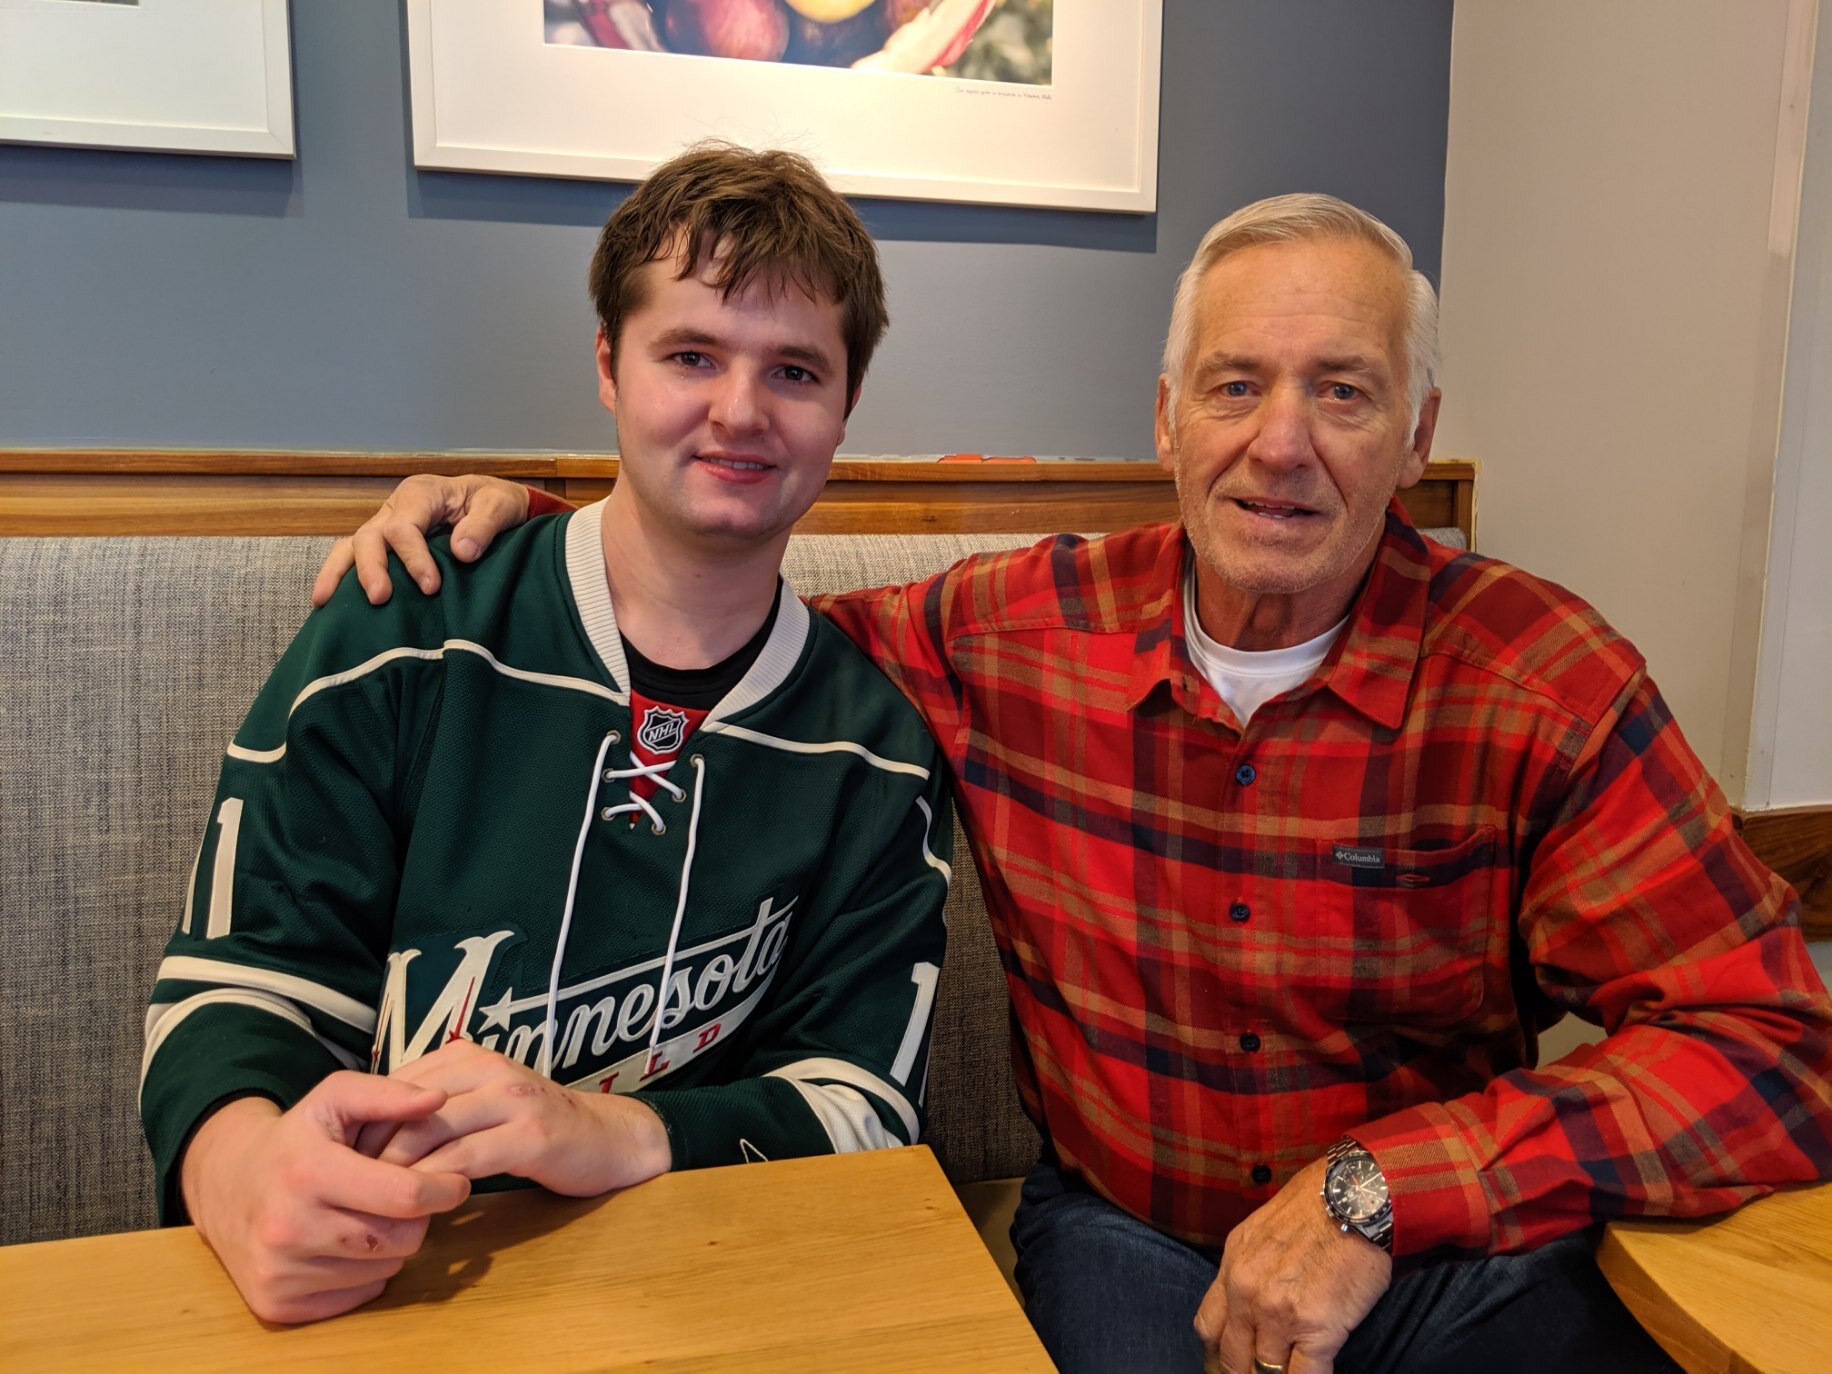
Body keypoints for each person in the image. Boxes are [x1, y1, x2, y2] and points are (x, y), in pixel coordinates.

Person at [315, 192, 1832, 1373]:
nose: (1282, 444)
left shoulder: (1539, 678)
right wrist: (527, 539)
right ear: (1165, 417)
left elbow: (1773, 1043)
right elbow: (725, 630)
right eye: (1236, 385)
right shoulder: (1003, 633)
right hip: (1133, 1235)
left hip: (1447, 1250)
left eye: (1347, 393)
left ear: (1419, 434)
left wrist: (1382, 1187)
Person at [142, 144, 952, 1326]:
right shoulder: (404, 622)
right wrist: (237, 1174)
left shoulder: (874, 745)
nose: (739, 409)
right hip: (385, 1282)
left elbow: (863, 1101)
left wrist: (618, 1131)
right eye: (689, 355)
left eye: (793, 370)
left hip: (708, 1293)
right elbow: (239, 984)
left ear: (844, 411)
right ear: (608, 368)